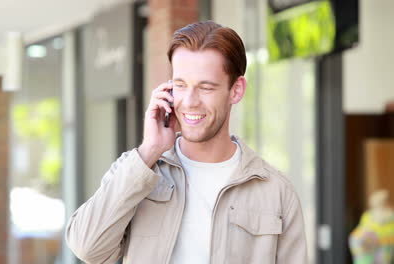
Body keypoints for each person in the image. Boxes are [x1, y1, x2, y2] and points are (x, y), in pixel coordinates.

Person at [65, 21, 308, 264]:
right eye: (181, 85)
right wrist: (150, 149)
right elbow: (87, 248)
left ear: (236, 90)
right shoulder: (138, 169)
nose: (190, 101)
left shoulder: (276, 192)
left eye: (206, 87)